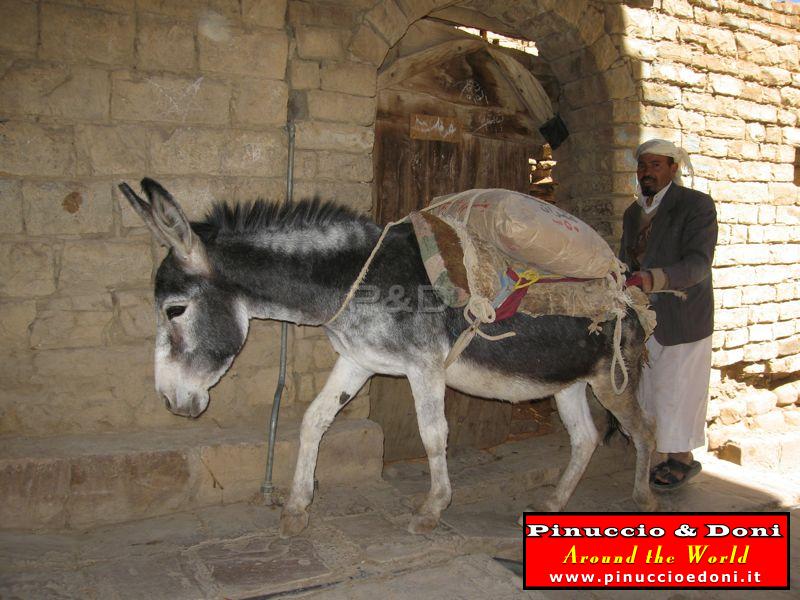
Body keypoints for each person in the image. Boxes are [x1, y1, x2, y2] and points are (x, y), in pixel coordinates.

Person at [619, 139, 718, 491]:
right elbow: (626, 260)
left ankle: (682, 460)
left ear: (673, 168)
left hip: (682, 315)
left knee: (678, 391)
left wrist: (652, 279)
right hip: (645, 318)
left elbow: (698, 264)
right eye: (643, 165)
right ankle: (655, 456)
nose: (647, 172)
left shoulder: (696, 206)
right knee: (649, 389)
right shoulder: (634, 213)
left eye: (656, 165)